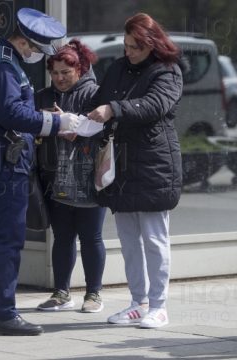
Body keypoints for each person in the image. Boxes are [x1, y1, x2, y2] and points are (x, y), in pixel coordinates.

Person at [0, 8, 79, 336]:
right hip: (4, 161)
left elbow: (11, 110)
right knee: (7, 239)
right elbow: (11, 114)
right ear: (25, 42)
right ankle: (2, 314)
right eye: (38, 50)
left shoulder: (0, 59)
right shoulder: (3, 65)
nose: (38, 56)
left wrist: (43, 116)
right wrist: (59, 122)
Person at [85, 13, 184, 328]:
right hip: (122, 167)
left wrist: (114, 109)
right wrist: (79, 122)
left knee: (154, 239)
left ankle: (159, 305)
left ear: (151, 45)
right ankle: (138, 303)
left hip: (154, 166)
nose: (128, 52)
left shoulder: (167, 71)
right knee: (128, 241)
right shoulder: (117, 68)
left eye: (135, 47)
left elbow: (154, 105)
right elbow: (100, 101)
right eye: (126, 46)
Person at [34, 40, 107, 313]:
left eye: (66, 72)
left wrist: (73, 123)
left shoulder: (95, 94)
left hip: (89, 177)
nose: (60, 78)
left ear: (80, 69)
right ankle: (61, 292)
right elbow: (30, 126)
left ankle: (94, 294)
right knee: (62, 236)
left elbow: (106, 129)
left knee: (91, 237)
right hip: (54, 175)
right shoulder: (42, 96)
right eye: (55, 73)